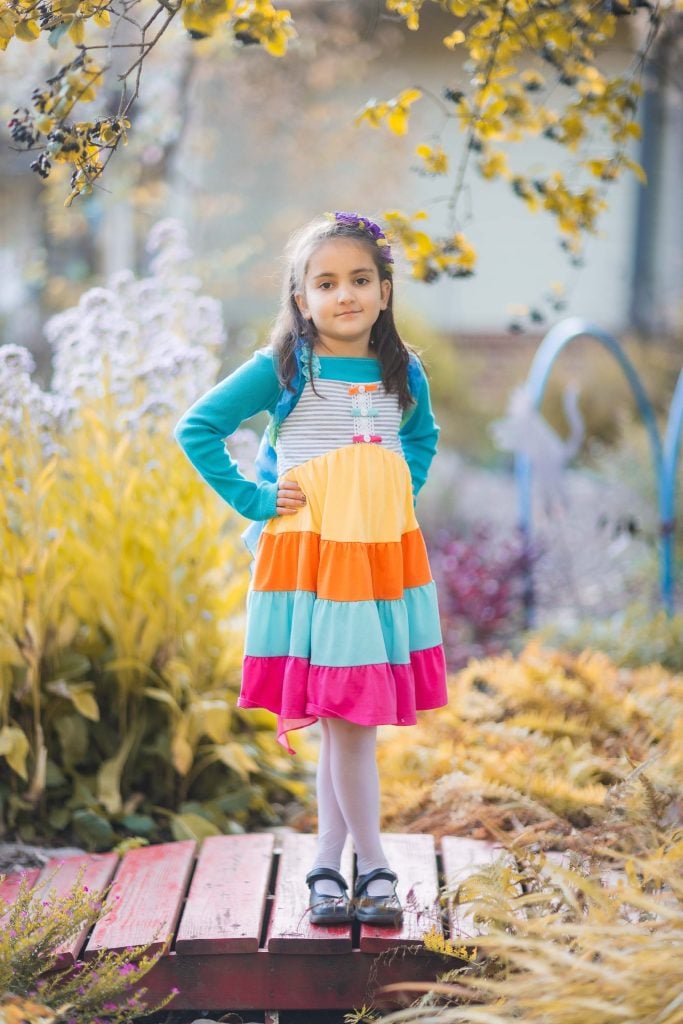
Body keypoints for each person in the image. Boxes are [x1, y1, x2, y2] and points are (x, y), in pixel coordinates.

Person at [174, 212, 448, 928]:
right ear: (300, 298)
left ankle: (327, 866)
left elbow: (420, 435)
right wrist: (255, 499)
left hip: (378, 557)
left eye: (359, 280)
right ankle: (374, 863)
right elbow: (196, 427)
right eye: (325, 283)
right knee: (349, 718)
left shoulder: (402, 369)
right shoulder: (284, 368)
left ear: (384, 291)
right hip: (313, 560)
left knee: (344, 718)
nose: (344, 295)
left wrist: (396, 487)